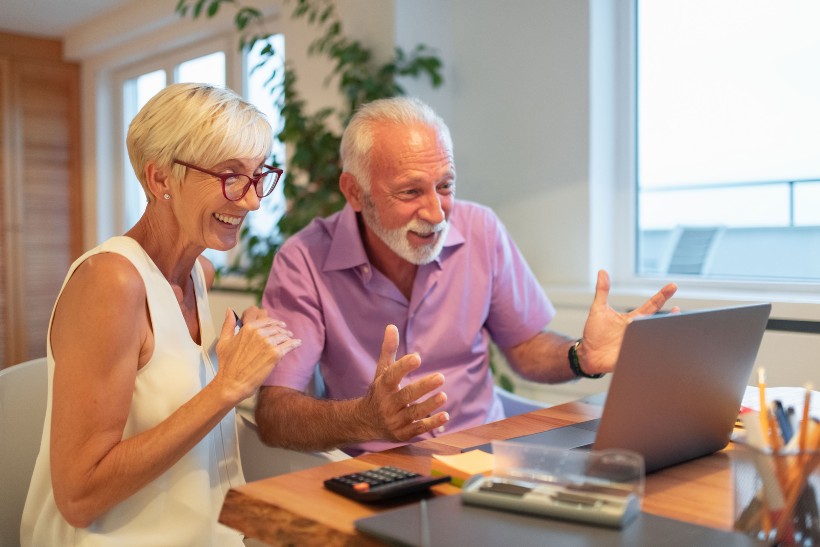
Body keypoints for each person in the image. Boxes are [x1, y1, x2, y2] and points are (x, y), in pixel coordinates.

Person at [255, 96, 676, 456]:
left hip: (486, 455)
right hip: (379, 472)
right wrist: (363, 418)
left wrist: (581, 356)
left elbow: (525, 347)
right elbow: (275, 413)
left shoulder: (481, 230)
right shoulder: (304, 260)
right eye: (410, 191)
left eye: (445, 185)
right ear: (354, 192)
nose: (437, 214)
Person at [20, 83, 301, 546]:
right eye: (230, 175)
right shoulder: (111, 281)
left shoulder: (199, 274)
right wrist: (226, 387)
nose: (252, 201)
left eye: (257, 176)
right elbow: (79, 495)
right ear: (160, 179)